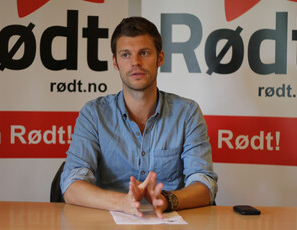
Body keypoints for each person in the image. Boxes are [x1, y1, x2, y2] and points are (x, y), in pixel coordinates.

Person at [60, 16, 218, 219]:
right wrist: (123, 203)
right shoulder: (94, 114)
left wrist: (168, 200)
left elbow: (204, 183)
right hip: (107, 222)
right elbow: (71, 185)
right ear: (115, 62)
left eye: (144, 53)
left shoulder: (187, 113)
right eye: (125, 55)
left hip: (168, 221)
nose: (135, 62)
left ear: (160, 58)